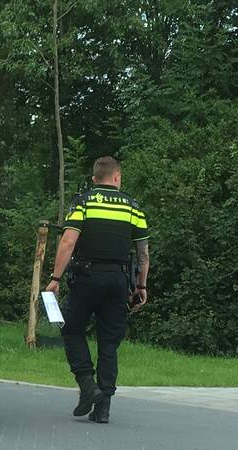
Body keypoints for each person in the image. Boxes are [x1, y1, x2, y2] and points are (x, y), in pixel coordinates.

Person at [45, 156, 150, 423]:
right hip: (119, 280)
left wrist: (55, 277)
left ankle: (87, 385)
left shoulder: (83, 202)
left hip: (87, 278)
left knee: (72, 329)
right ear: (117, 177)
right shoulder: (133, 207)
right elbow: (143, 254)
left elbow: (68, 242)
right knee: (109, 342)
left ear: (94, 179)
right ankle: (103, 407)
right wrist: (141, 285)